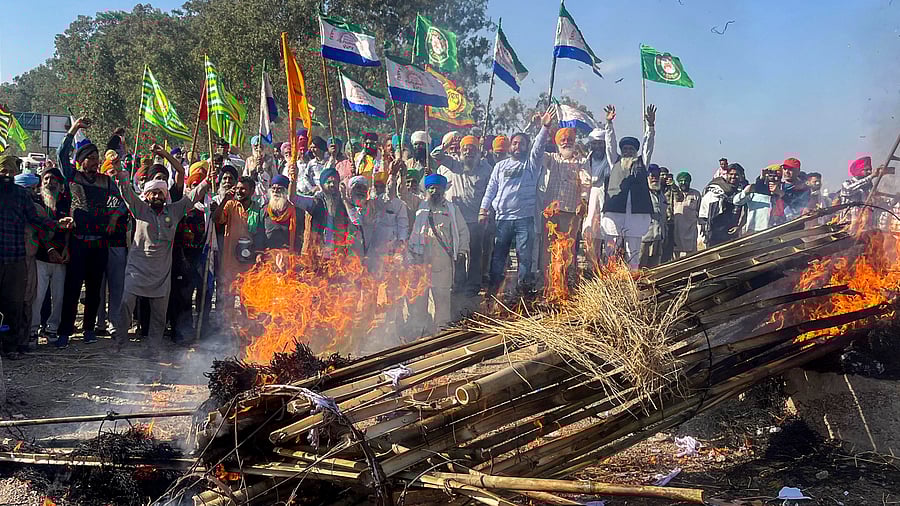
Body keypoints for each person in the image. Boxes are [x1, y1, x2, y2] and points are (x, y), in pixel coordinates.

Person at [112, 150, 211, 346]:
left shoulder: (173, 211)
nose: (157, 196)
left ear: (165, 195)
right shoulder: (140, 209)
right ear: (147, 195)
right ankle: (120, 342)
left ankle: (154, 347)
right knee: (126, 305)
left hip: (161, 273)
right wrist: (119, 171)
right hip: (137, 270)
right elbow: (126, 192)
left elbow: (192, 197)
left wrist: (208, 181)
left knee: (159, 314)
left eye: (160, 193)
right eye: (153, 193)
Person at [57, 118, 127, 348]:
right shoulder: (72, 177)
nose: (96, 162)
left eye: (97, 158)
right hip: (77, 241)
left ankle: (89, 330)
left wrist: (115, 216)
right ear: (80, 161)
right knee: (73, 288)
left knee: (95, 290)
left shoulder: (106, 181)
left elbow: (121, 202)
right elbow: (60, 155)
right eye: (91, 158)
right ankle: (65, 332)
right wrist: (74, 129)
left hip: (100, 243)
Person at [0, 155, 73, 359]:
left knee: (13, 305)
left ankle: (11, 346)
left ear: (15, 174)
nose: (7, 175)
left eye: (10, 172)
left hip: (15, 259)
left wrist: (58, 224)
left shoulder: (21, 196)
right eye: (3, 171)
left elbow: (36, 219)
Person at [479, 106, 554, 295]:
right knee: (498, 258)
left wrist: (544, 128)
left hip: (524, 219)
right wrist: (483, 209)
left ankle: (523, 294)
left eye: (521, 144)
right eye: (514, 143)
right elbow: (491, 189)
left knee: (524, 258)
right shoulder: (500, 166)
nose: (517, 147)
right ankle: (493, 293)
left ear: (526, 147)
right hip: (503, 219)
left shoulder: (531, 164)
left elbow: (538, 146)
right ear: (510, 146)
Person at [408, 174, 469, 332]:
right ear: (427, 190)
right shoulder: (419, 206)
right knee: (420, 296)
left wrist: (462, 251)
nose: (434, 191)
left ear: (443, 190)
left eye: (437, 188)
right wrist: (399, 174)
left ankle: (441, 330)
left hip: (443, 260)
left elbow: (463, 232)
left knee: (441, 296)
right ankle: (421, 330)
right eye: (431, 188)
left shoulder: (452, 210)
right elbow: (403, 195)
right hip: (421, 258)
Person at [432, 135, 493, 295]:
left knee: (475, 252)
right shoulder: (454, 164)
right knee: (458, 252)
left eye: (472, 149)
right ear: (460, 151)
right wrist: (446, 144)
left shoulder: (486, 169)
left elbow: (491, 192)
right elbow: (435, 154)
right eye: (465, 149)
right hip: (456, 219)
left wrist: (486, 212)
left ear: (478, 151)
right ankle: (458, 284)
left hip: (476, 219)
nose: (468, 152)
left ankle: (473, 285)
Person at [599, 104, 657, 267]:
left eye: (631, 149)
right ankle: (610, 280)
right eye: (625, 149)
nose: (628, 151)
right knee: (611, 251)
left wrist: (650, 127)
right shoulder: (614, 161)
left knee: (633, 253)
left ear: (636, 151)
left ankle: (632, 281)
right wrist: (609, 124)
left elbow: (648, 146)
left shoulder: (642, 163)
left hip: (636, 214)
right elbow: (610, 143)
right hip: (615, 212)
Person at [538, 126, 590, 282]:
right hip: (551, 211)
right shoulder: (551, 158)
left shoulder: (582, 161)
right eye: (563, 139)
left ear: (574, 142)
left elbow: (586, 183)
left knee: (568, 247)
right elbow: (536, 152)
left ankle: (565, 281)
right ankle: (547, 281)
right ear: (557, 142)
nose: (566, 142)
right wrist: (543, 128)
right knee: (548, 246)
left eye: (570, 140)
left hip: (570, 211)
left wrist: (583, 201)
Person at [168, 165, 211, 342]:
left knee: (204, 293)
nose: (195, 188)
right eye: (192, 185)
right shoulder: (181, 206)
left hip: (201, 256)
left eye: (198, 185)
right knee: (182, 295)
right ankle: (180, 331)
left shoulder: (208, 207)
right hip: (182, 256)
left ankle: (202, 330)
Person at [212, 175, 263, 319]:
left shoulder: (258, 209)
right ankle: (224, 333)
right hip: (230, 263)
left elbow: (261, 235)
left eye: (243, 189)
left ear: (252, 191)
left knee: (248, 302)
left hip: (249, 265)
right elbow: (216, 219)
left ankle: (247, 334)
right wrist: (224, 201)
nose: (239, 192)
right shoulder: (230, 205)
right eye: (238, 188)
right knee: (227, 300)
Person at [31, 167, 71, 343]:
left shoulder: (65, 202)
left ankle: (52, 329)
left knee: (59, 296)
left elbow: (69, 227)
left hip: (61, 258)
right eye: (46, 179)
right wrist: (49, 249)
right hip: (40, 256)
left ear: (60, 184)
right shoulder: (36, 201)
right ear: (41, 182)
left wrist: (66, 249)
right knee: (37, 297)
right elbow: (37, 228)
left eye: (54, 179)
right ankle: (33, 329)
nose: (50, 182)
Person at [364, 171, 409, 274]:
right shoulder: (371, 201)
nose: (379, 189)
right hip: (373, 246)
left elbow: (403, 224)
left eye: (381, 187)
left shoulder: (398, 204)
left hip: (391, 244)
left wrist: (401, 241)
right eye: (376, 187)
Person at [582, 127, 611, 268]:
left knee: (609, 239)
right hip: (589, 203)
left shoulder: (612, 161)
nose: (598, 146)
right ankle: (592, 270)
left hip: (607, 203)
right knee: (590, 237)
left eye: (601, 143)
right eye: (595, 143)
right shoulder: (585, 162)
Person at [256, 174, 305, 252]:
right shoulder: (264, 210)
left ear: (286, 192)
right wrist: (259, 253)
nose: (275, 191)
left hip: (289, 255)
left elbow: (300, 237)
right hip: (268, 254)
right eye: (273, 188)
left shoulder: (297, 212)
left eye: (279, 189)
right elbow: (260, 234)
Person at [699, 163, 745, 247]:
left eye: (736, 175)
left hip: (732, 231)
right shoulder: (716, 188)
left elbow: (746, 211)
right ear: (726, 174)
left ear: (741, 176)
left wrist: (739, 227)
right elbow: (704, 209)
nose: (733, 177)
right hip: (714, 231)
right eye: (731, 174)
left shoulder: (743, 191)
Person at [734, 166, 783, 235]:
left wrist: (780, 193)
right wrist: (745, 192)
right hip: (754, 231)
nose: (773, 180)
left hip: (774, 231)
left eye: (777, 177)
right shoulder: (755, 192)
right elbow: (736, 201)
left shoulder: (783, 193)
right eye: (770, 176)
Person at [639, 166, 667, 268]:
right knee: (639, 267)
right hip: (644, 238)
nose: (654, 178)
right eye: (652, 176)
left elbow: (663, 216)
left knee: (654, 269)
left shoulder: (661, 195)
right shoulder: (641, 194)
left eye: (657, 176)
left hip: (658, 237)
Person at [672, 172, 701, 258]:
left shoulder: (696, 194)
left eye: (686, 181)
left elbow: (700, 211)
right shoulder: (673, 193)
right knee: (675, 255)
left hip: (690, 230)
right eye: (681, 181)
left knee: (691, 255)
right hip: (676, 229)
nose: (684, 183)